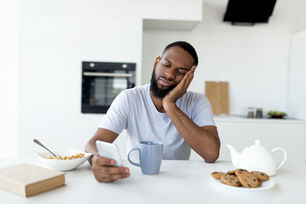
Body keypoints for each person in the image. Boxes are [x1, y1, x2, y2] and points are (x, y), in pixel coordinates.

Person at [85, 41, 220, 183]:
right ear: (156, 62)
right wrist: (96, 159)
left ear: (189, 77)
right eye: (166, 65)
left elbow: (211, 153)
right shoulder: (129, 98)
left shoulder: (197, 101)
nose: (169, 74)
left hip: (179, 181)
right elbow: (93, 143)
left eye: (180, 72)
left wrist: (169, 104)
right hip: (136, 179)